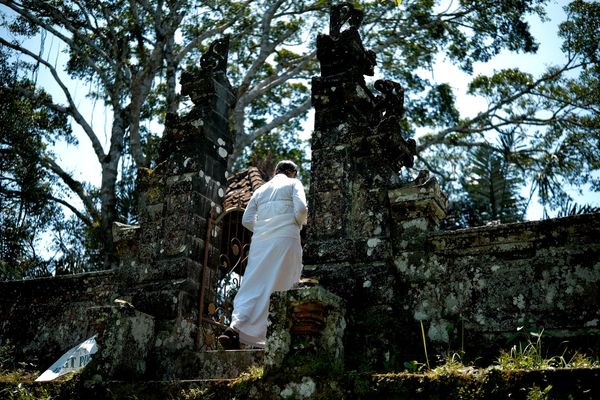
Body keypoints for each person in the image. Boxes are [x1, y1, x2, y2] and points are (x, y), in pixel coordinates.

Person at [218, 160, 308, 350]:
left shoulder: (261, 190)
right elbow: (301, 210)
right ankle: (275, 335)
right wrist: (295, 224)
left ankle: (235, 328)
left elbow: (246, 219)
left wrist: (263, 229)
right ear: (293, 172)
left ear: (276, 172)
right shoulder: (294, 184)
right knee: (283, 285)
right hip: (286, 239)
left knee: (254, 284)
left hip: (260, 242)